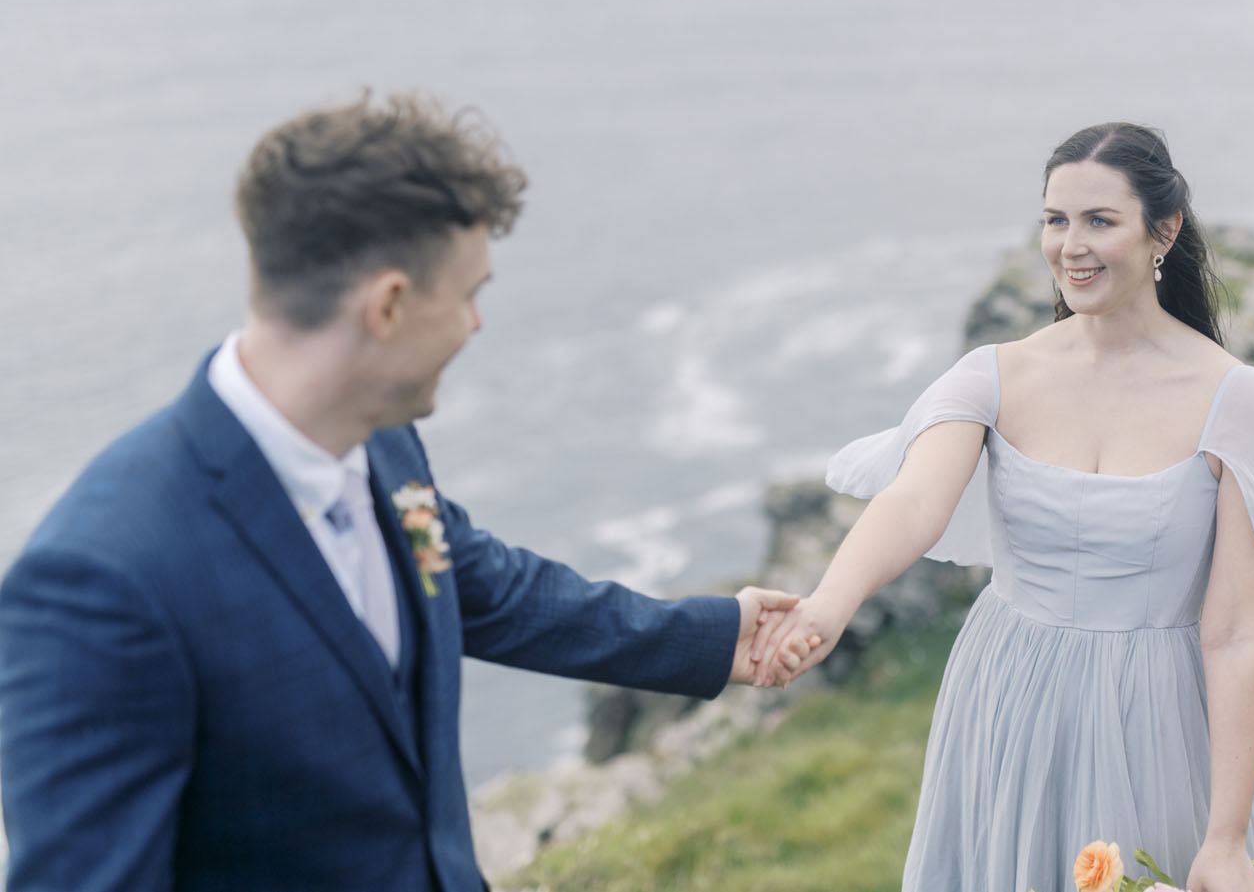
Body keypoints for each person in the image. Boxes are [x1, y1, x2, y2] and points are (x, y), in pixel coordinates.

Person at [0, 92, 807, 892]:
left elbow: (485, 587)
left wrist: (711, 637)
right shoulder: (103, 580)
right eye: (469, 295)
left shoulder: (381, 439)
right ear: (388, 305)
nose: (476, 324)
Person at [752, 123, 1254, 892]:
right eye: (1055, 220)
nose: (1072, 245)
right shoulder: (994, 375)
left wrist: (1227, 837)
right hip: (1007, 693)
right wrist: (827, 607)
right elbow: (915, 499)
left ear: (1163, 231)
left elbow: (1234, 633)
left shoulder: (1238, 401)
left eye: (1100, 220)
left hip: (1156, 717)